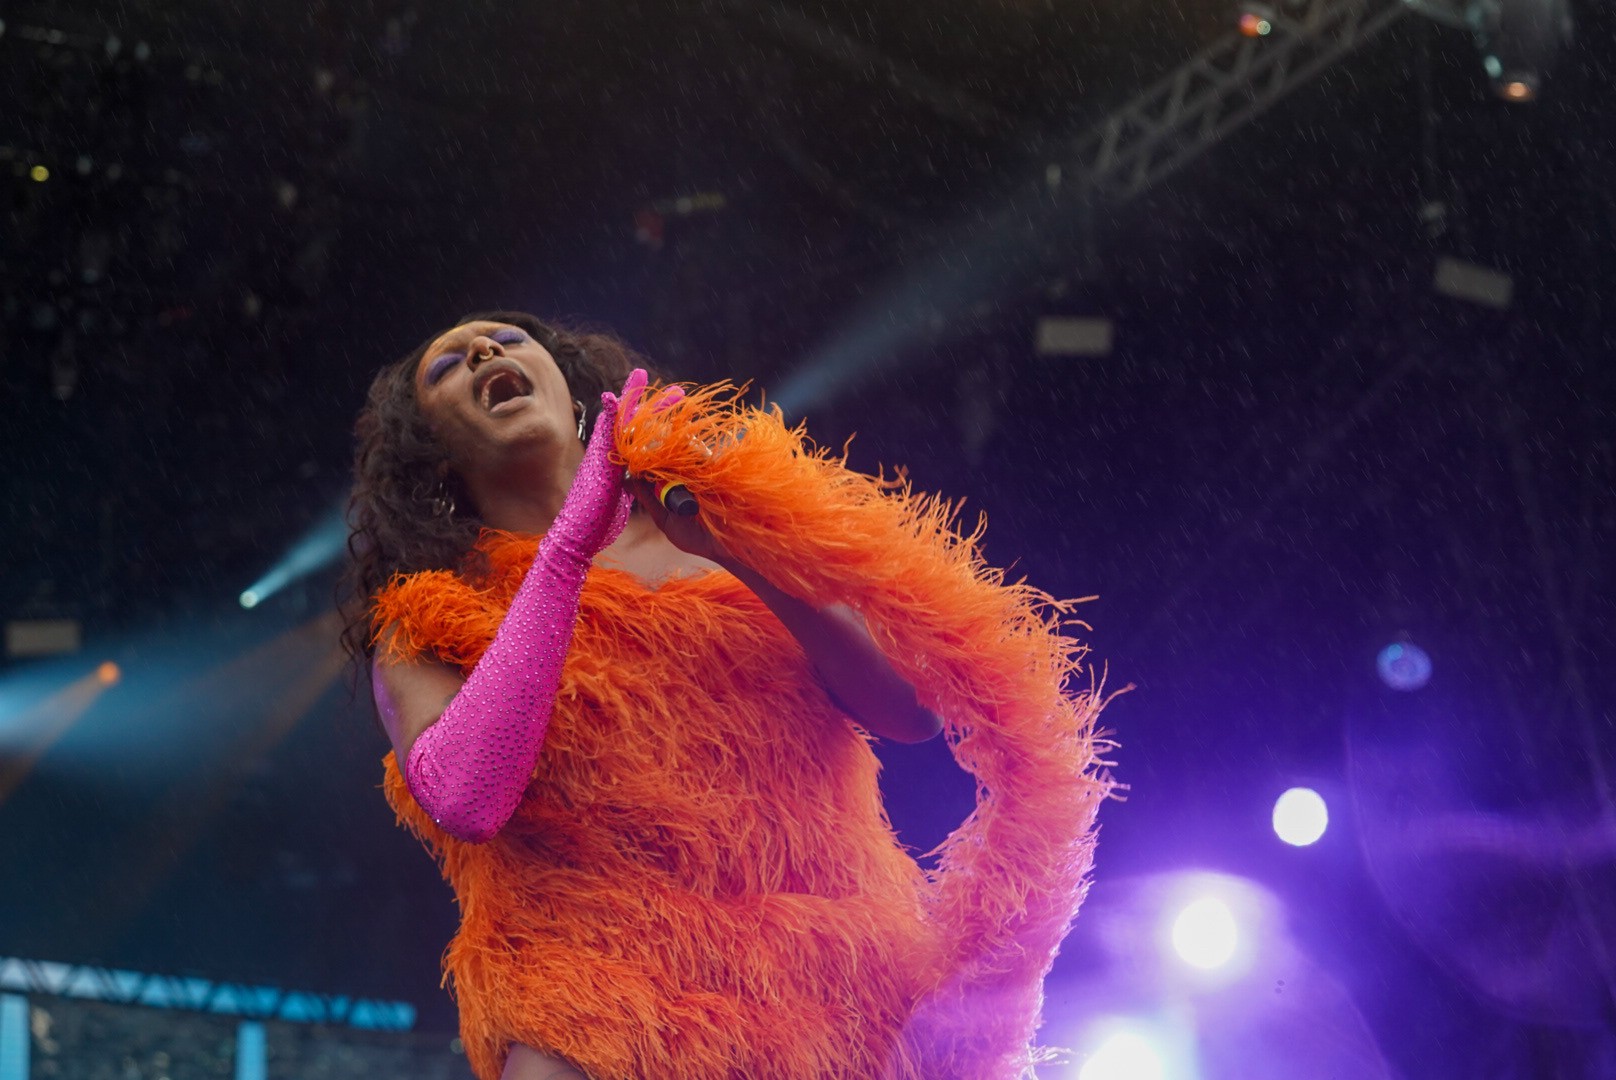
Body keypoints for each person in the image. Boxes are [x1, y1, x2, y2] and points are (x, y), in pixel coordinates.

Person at [343, 311, 1114, 1080]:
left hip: (833, 991)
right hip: (590, 992)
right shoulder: (427, 617)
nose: (484, 350)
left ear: (575, 396)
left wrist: (735, 544)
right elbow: (466, 797)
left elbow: (908, 713)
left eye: (510, 341)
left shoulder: (710, 523)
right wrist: (568, 550)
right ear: (432, 457)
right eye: (447, 365)